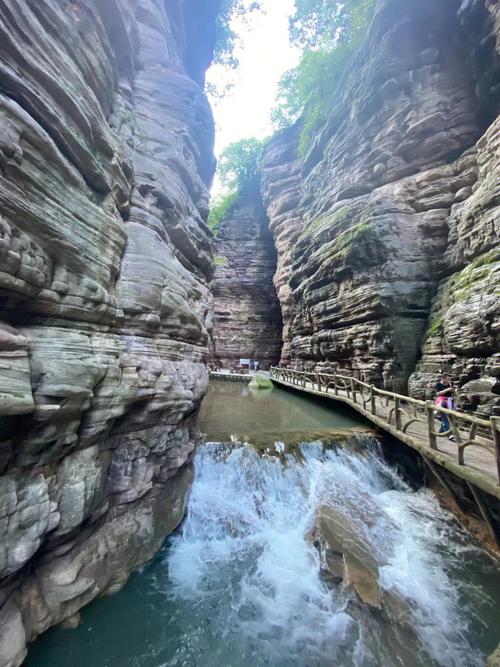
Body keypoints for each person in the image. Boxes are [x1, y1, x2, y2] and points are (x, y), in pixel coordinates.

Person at [434, 374, 455, 438]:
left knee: (447, 416)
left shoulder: (449, 384)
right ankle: (448, 434)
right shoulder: (438, 384)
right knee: (445, 417)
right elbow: (438, 393)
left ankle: (442, 430)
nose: (448, 380)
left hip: (449, 401)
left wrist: (453, 391)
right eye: (447, 379)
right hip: (442, 401)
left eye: (448, 379)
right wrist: (447, 390)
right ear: (442, 378)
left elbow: (451, 393)